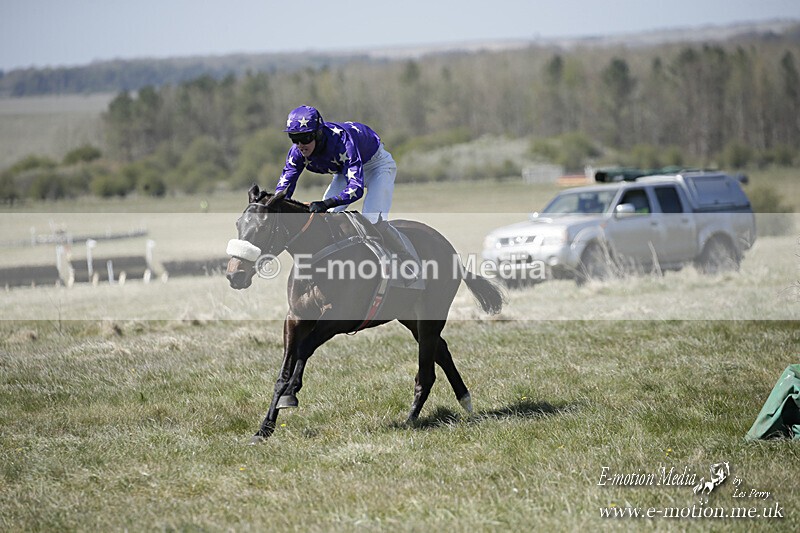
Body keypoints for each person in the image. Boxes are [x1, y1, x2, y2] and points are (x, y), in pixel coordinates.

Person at [275, 105, 414, 264]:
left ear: (318, 134)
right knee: (325, 218)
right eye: (294, 138)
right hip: (345, 171)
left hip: (377, 166)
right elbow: (284, 188)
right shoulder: (296, 152)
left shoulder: (343, 142)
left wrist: (326, 203)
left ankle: (406, 258)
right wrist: (275, 205)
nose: (300, 144)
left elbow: (356, 188)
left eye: (305, 138)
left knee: (372, 221)